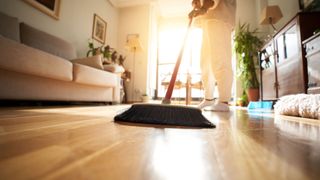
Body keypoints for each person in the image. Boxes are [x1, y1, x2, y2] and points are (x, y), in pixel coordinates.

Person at [189, 0, 236, 111]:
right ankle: (209, 99)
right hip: (208, 20)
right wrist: (196, 4)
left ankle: (224, 101)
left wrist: (203, 8)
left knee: (220, 58)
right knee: (206, 62)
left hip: (220, 18)